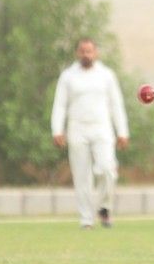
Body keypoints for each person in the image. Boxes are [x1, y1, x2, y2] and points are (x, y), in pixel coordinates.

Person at [51, 38, 129, 229]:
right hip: (77, 128)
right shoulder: (68, 76)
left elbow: (116, 104)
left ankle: (104, 207)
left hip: (102, 127)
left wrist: (122, 131)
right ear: (77, 53)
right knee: (82, 176)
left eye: (89, 51)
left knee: (107, 169)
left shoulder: (106, 75)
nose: (86, 54)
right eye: (82, 51)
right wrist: (57, 130)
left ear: (96, 53)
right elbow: (60, 104)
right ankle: (86, 219)